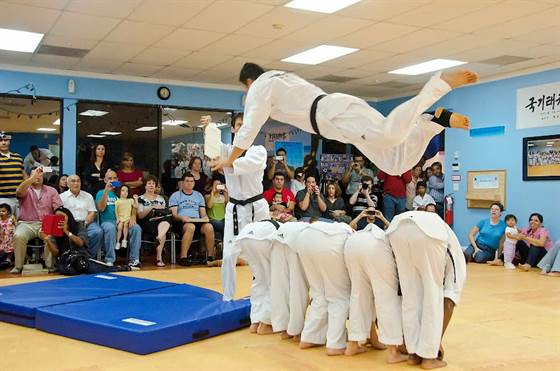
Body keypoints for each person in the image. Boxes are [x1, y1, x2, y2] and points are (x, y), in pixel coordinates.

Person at [213, 63, 476, 176]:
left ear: (249, 82)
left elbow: (249, 127)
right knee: (394, 164)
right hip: (334, 118)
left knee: (389, 134)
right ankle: (433, 123)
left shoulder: (260, 85)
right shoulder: (281, 76)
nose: (248, 94)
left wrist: (230, 159)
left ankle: (438, 85)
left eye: (246, 89)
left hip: (332, 115)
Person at [200, 114, 269, 301]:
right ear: (233, 129)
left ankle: (262, 295)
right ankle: (227, 297)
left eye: (246, 126)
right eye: (239, 125)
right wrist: (210, 129)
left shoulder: (258, 151)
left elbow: (244, 165)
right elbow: (214, 150)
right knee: (229, 255)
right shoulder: (227, 150)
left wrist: (226, 162)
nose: (242, 129)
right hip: (235, 209)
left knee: (259, 254)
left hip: (257, 207)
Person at [387, 211, 466, 369]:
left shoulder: (446, 240)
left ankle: (413, 354)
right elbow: (449, 301)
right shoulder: (458, 261)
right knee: (433, 295)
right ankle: (429, 357)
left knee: (410, 297)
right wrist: (436, 343)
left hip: (395, 230)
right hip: (427, 232)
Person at [344, 219, 407, 363]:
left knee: (358, 296)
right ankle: (392, 351)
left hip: (352, 243)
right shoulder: (393, 236)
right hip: (375, 247)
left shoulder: (367, 233)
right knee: (387, 298)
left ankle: (353, 344)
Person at [292, 221, 354, 356]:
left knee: (319, 294)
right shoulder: (348, 234)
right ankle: (335, 344)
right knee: (339, 296)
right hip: (329, 242)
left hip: (305, 238)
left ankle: (309, 336)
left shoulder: (339, 227)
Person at [229, 220, 279, 334]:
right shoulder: (288, 231)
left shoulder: (276, 226)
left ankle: (255, 321)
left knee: (259, 281)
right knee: (274, 282)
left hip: (244, 237)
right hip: (263, 239)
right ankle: (266, 323)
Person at [11, 167, 63, 274]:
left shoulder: (51, 190)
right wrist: (32, 178)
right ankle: (18, 266)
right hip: (26, 223)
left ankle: (50, 265)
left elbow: (58, 208)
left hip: (46, 222)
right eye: (35, 174)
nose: (37, 177)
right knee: (18, 235)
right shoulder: (25, 189)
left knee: (50, 235)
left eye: (40, 174)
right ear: (30, 176)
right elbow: (18, 192)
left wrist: (57, 220)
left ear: (43, 177)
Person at [40, 207, 116, 275]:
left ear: (68, 217)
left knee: (95, 268)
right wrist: (48, 240)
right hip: (66, 260)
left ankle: (120, 268)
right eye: (57, 217)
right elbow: (55, 252)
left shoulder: (79, 225)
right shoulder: (55, 230)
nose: (59, 218)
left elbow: (80, 243)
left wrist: (66, 232)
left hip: (81, 256)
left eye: (62, 216)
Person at [270, 221, 311, 340]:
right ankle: (296, 330)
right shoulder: (317, 229)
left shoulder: (304, 224)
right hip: (295, 238)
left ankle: (283, 328)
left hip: (278, 237)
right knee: (298, 286)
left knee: (280, 285)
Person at [94, 169, 142, 269]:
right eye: (109, 178)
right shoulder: (101, 192)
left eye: (114, 178)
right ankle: (110, 260)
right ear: (105, 180)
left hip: (125, 220)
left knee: (136, 228)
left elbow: (132, 203)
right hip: (108, 221)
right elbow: (101, 208)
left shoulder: (122, 191)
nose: (112, 180)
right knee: (110, 228)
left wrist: (133, 215)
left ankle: (134, 260)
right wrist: (106, 192)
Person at [169, 173, 215, 266]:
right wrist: (182, 217)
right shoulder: (175, 195)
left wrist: (205, 218)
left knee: (209, 227)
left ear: (194, 183)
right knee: (190, 227)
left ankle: (210, 257)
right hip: (181, 222)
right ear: (182, 183)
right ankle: (183, 257)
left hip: (197, 221)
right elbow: (174, 215)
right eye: (187, 181)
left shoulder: (198, 195)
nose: (189, 183)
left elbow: (203, 213)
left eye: (191, 181)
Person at [59, 175, 101, 252]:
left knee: (97, 232)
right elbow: (59, 213)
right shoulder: (61, 197)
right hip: (70, 224)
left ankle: (89, 256)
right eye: (73, 181)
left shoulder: (88, 196)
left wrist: (85, 223)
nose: (76, 183)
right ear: (68, 184)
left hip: (86, 222)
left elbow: (92, 212)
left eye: (78, 181)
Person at [137, 175, 171, 267]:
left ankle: (158, 240)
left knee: (164, 223)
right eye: (149, 183)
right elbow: (140, 216)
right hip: (147, 222)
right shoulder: (141, 199)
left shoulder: (161, 198)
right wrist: (151, 207)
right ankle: (159, 258)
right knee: (163, 230)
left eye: (153, 184)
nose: (151, 185)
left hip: (161, 220)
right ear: (145, 186)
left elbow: (165, 211)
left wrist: (160, 210)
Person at [0, 131, 24, 215]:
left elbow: (23, 175)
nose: (3, 142)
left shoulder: (18, 157)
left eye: (5, 140)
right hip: (3, 198)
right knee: (4, 226)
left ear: (9, 141)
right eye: (0, 140)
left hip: (20, 198)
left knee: (18, 224)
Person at [114, 185, 138, 251]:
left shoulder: (130, 200)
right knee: (119, 227)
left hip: (128, 217)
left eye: (127, 191)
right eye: (123, 190)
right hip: (121, 218)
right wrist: (117, 218)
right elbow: (116, 211)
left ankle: (124, 240)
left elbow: (136, 206)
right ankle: (118, 242)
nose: (125, 192)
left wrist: (136, 199)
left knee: (125, 225)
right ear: (119, 191)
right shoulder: (117, 201)